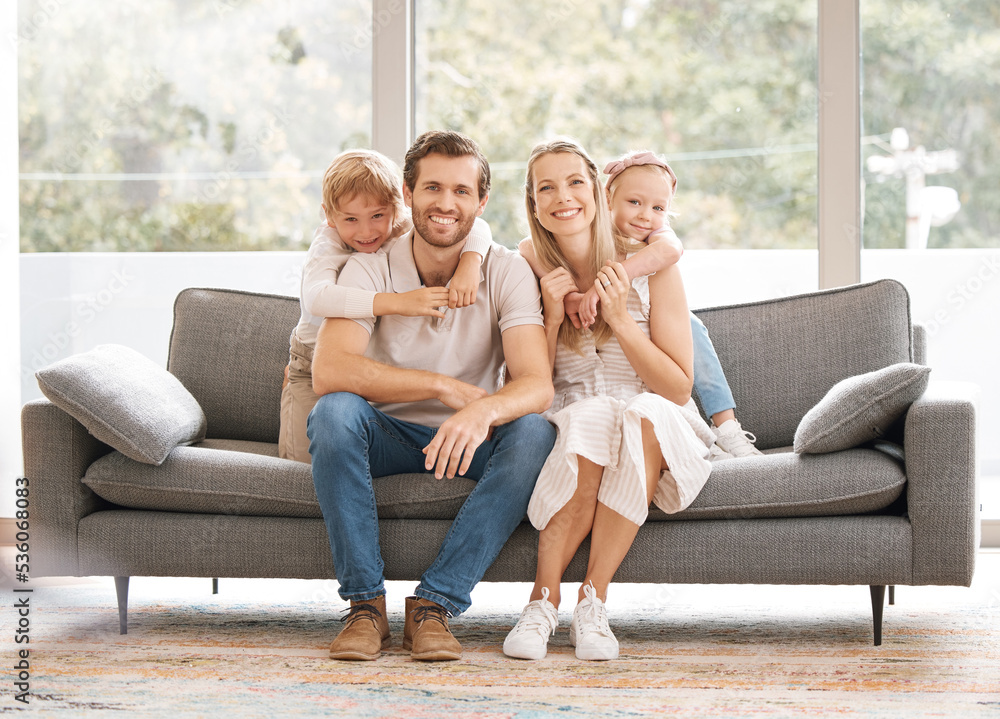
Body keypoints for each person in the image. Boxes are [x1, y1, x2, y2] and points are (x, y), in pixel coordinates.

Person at [308, 130, 556, 662]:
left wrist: (482, 409)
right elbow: (329, 371)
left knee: (535, 430)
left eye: (462, 192)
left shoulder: (506, 269)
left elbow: (537, 383)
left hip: (469, 439)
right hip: (388, 433)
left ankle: (434, 605)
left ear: (481, 202)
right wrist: (440, 387)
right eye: (433, 188)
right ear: (408, 193)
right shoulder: (368, 265)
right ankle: (365, 607)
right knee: (333, 413)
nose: (446, 204)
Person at [503, 139, 715, 662]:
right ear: (533, 204)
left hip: (652, 409)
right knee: (595, 415)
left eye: (575, 183)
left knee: (638, 413)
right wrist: (552, 315)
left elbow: (677, 388)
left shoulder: (652, 267)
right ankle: (542, 600)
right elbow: (530, 383)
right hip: (572, 411)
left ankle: (593, 600)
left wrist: (619, 317)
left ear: (597, 192)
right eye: (545, 188)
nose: (563, 197)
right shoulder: (524, 267)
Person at [519, 150, 762, 459]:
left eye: (658, 207)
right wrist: (568, 300)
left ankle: (726, 425)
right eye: (634, 203)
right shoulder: (544, 253)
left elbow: (671, 251)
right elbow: (528, 248)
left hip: (650, 360)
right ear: (607, 197)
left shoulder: (654, 239)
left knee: (691, 326)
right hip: (579, 415)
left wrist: (609, 284)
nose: (645, 216)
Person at [279, 149, 494, 463]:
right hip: (312, 360)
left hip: (360, 355)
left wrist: (471, 262)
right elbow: (318, 297)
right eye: (350, 219)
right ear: (329, 215)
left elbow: (475, 224)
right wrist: (397, 303)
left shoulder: (402, 227)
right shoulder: (328, 242)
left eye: (377, 216)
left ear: (397, 205)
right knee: (305, 466)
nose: (366, 231)